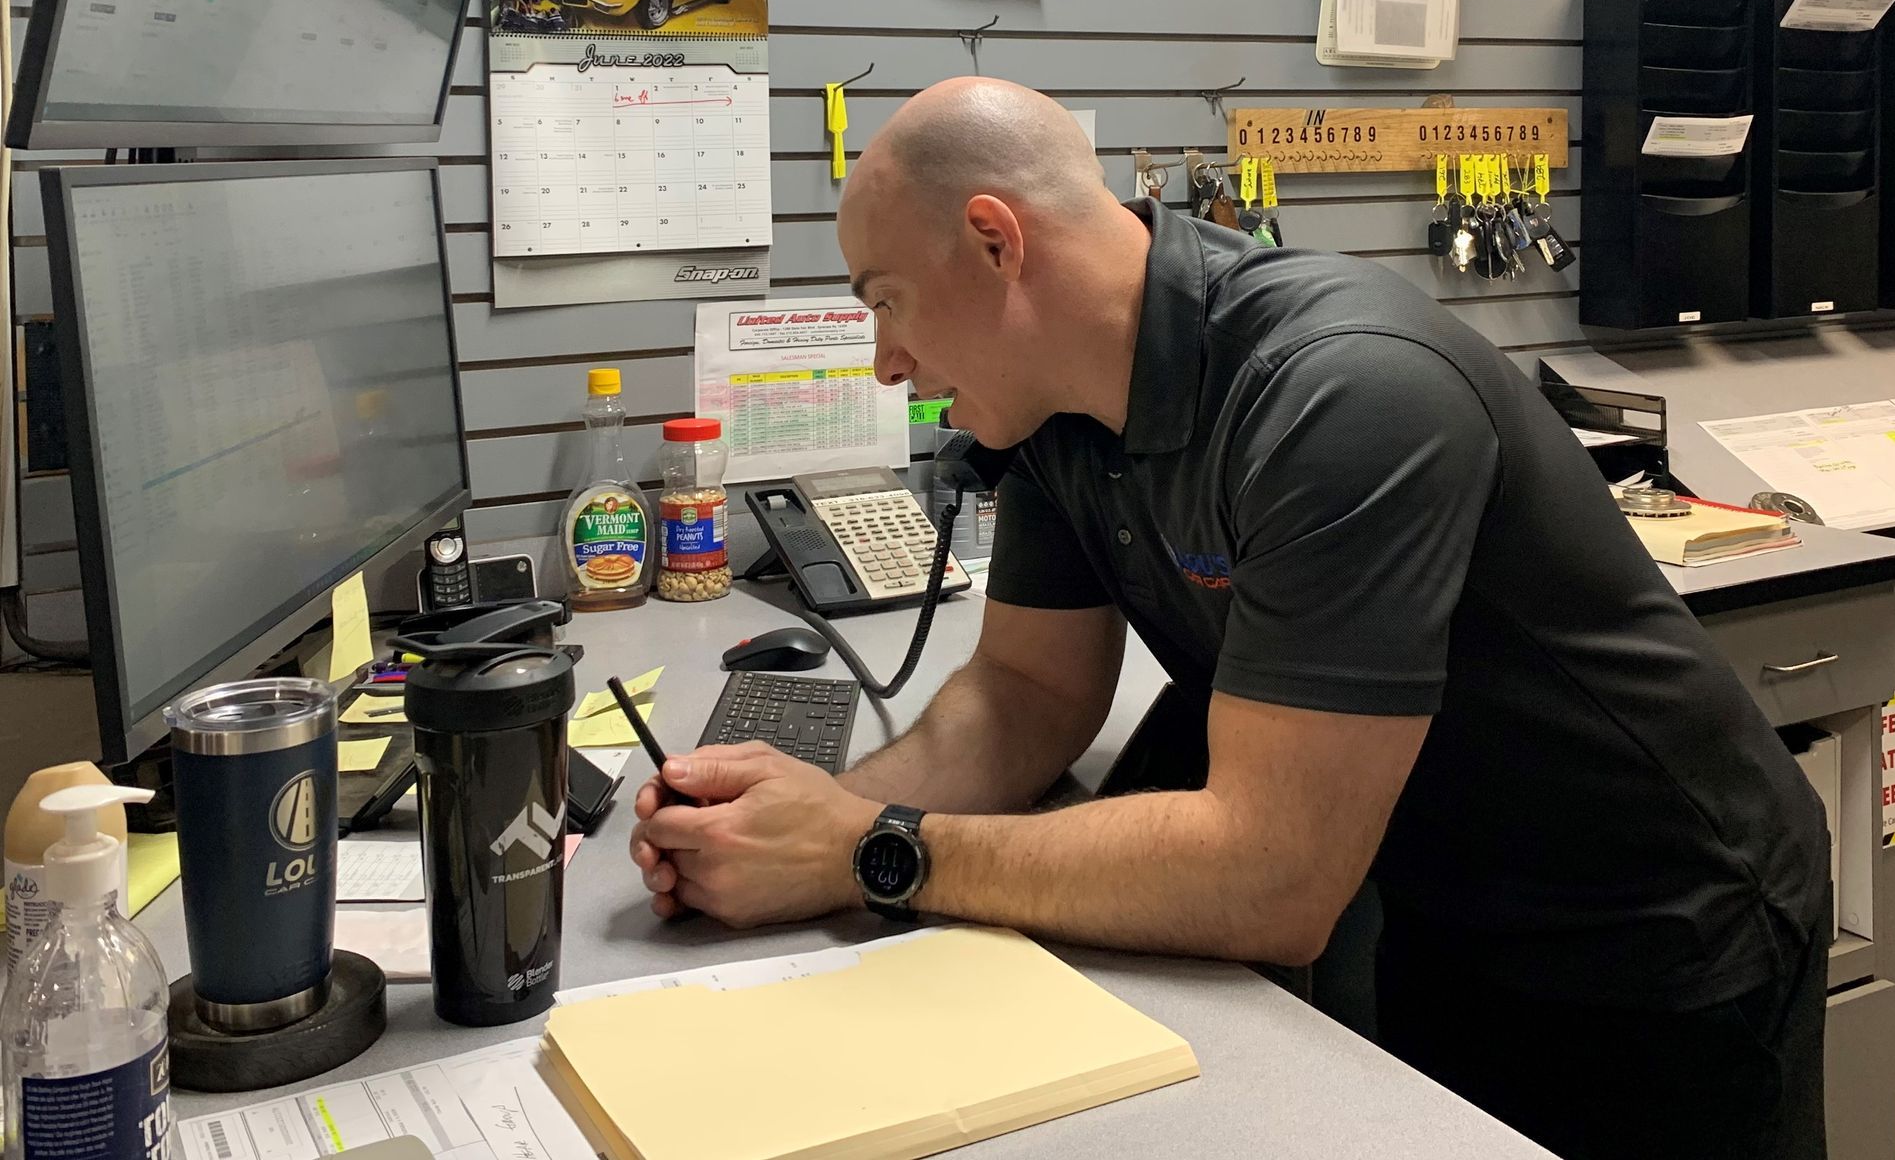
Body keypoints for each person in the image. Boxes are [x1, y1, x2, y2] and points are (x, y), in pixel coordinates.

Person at [631, 78, 1830, 1160]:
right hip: (1446, 905)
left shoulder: (1340, 390)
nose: (887, 361)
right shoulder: (1053, 415)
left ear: (995, 242)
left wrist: (867, 852)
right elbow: (1024, 698)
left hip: (1658, 932)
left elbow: (1274, 873)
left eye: (886, 301)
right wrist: (817, 824)